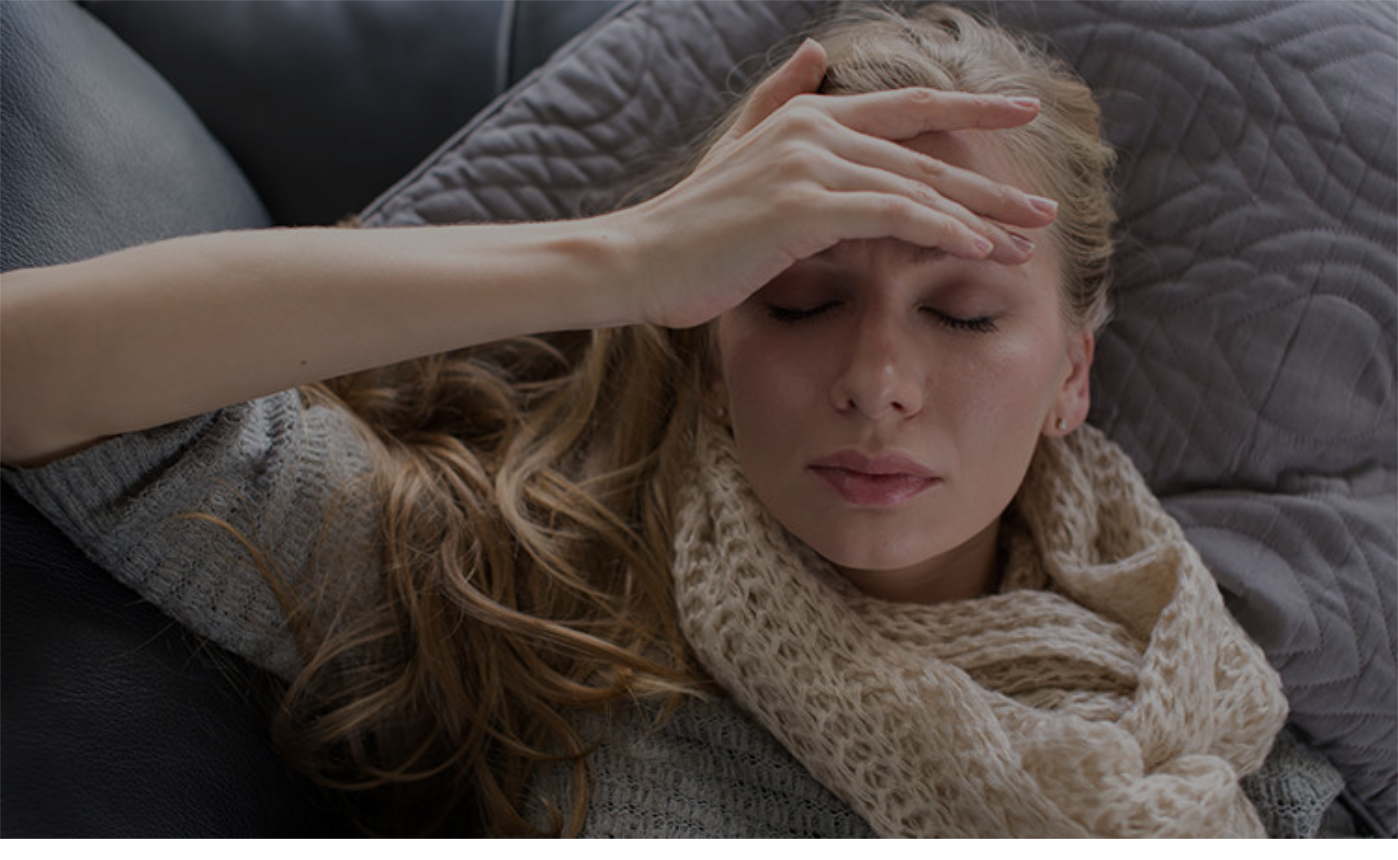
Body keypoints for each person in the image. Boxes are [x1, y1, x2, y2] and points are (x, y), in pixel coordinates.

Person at [0, 3, 1343, 839]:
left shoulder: (1220, 727)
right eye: (801, 299)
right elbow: (34, 371)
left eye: (965, 316)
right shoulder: (527, 591)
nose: (877, 377)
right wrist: (623, 261)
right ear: (710, 348)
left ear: (1072, 377)